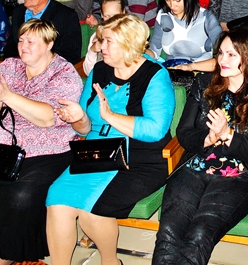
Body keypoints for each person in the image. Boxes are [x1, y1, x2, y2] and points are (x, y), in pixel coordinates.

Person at [46, 14, 175, 265]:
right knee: (57, 199)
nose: (99, 46)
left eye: (107, 42)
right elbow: (85, 127)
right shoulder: (99, 70)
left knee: (91, 210)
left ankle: (110, 261)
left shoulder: (155, 75)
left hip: (139, 158)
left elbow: (155, 130)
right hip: (96, 151)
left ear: (128, 44)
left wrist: (110, 115)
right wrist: (77, 116)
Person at [0, 19, 83, 265]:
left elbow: (48, 118)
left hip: (49, 152)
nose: (23, 45)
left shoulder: (64, 73)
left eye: (31, 41)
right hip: (2, 150)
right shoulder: (8, 67)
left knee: (20, 196)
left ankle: (4, 255)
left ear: (49, 44)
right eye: (21, 40)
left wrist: (9, 96)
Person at [153, 29, 248, 265]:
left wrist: (228, 135)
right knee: (168, 232)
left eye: (231, 55)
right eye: (221, 53)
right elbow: (184, 132)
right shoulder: (203, 84)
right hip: (195, 165)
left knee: (200, 234)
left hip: (240, 175)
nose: (222, 60)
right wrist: (208, 139)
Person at [148, 0, 222, 72]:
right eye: (167, 0)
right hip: (171, 72)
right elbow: (154, 51)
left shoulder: (206, 18)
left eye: (177, 1)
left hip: (200, 74)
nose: (172, 6)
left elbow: (224, 58)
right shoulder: (163, 16)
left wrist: (191, 66)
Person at [4, 0, 82, 66]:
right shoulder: (18, 12)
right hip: (19, 67)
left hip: (50, 70)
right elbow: (10, 46)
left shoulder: (66, 16)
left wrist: (37, 63)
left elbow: (71, 54)